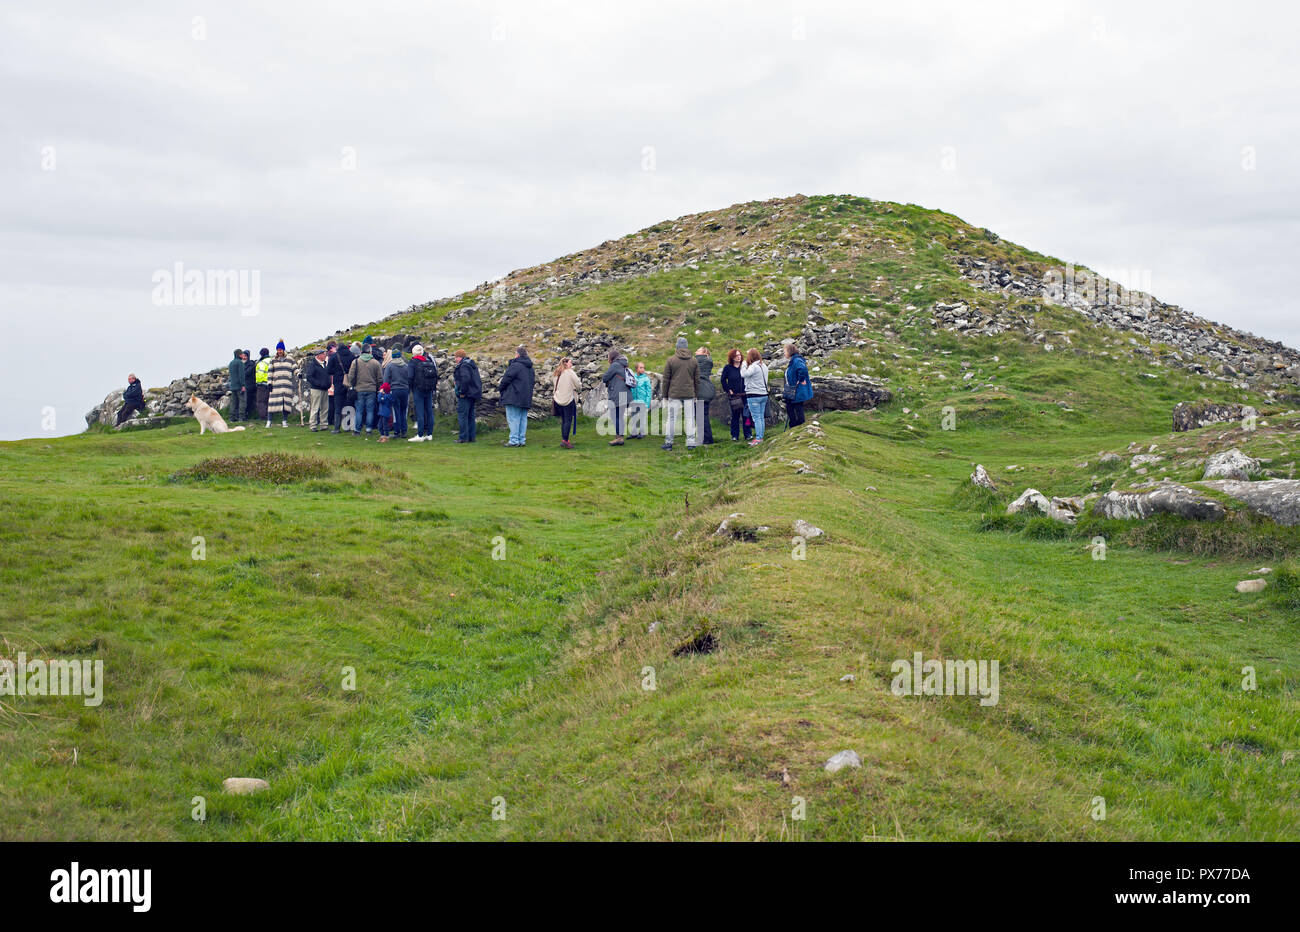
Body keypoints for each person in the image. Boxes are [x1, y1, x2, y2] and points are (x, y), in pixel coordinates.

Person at [660, 336, 700, 451]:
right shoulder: (693, 361)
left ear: (677, 347)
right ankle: (691, 442)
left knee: (671, 418)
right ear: (686, 347)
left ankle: (668, 443)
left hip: (674, 394)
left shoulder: (671, 360)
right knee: (690, 418)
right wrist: (696, 394)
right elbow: (697, 380)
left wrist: (665, 395)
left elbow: (666, 379)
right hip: (689, 394)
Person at [498, 345, 535, 447]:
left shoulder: (516, 365)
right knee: (523, 418)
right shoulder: (530, 368)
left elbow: (506, 378)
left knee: (513, 418)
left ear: (517, 355)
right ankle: (521, 440)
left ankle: (514, 440)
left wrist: (500, 388)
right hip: (526, 396)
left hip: (513, 396)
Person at [345, 341, 383, 437]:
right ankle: (369, 429)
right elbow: (380, 378)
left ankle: (357, 430)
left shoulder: (356, 362)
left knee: (359, 410)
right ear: (370, 352)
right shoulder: (375, 363)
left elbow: (351, 376)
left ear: (361, 351)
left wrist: (353, 385)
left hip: (359, 389)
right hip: (372, 389)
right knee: (370, 410)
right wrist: (378, 387)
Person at [600, 349, 631, 446]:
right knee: (619, 416)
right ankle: (620, 436)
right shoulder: (624, 364)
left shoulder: (615, 365)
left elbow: (605, 378)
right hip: (624, 393)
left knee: (615, 416)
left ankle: (619, 438)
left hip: (617, 393)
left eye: (608, 357)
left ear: (611, 357)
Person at [720, 348, 752, 442]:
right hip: (734, 397)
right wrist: (728, 390)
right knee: (735, 416)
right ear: (732, 357)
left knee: (746, 416)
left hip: (745, 395)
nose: (738, 357)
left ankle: (748, 434)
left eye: (739, 355)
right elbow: (723, 380)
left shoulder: (745, 366)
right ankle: (734, 435)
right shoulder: (728, 368)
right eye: (736, 355)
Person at [408, 344, 438, 442]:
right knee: (429, 411)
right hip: (428, 389)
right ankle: (430, 434)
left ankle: (420, 435)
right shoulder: (428, 360)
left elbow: (410, 377)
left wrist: (411, 387)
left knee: (420, 412)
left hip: (418, 389)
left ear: (413, 353)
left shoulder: (413, 362)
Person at [740, 348, 770, 446]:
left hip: (754, 395)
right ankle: (760, 436)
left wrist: (744, 364)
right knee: (760, 417)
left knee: (756, 417)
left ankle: (758, 438)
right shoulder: (764, 365)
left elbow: (743, 374)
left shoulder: (753, 366)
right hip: (763, 394)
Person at [552, 357, 582, 449]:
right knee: (568, 420)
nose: (571, 365)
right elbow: (578, 384)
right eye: (570, 363)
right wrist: (578, 389)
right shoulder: (570, 372)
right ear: (566, 364)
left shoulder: (556, 373)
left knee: (563, 420)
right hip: (568, 399)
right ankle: (565, 441)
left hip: (558, 399)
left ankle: (564, 439)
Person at [782, 342, 813, 428]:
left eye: (785, 351)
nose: (784, 353)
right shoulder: (794, 360)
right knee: (791, 407)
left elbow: (802, 369)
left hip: (797, 390)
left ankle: (799, 425)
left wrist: (801, 379)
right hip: (793, 389)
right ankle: (794, 425)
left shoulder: (796, 360)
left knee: (797, 407)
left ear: (789, 351)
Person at [382, 347, 411, 439]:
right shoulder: (406, 366)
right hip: (405, 390)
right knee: (403, 410)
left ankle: (397, 431)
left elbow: (386, 381)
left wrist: (386, 391)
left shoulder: (390, 366)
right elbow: (410, 378)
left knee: (396, 410)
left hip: (394, 390)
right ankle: (404, 431)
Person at [266, 340, 296, 428]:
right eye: (277, 349)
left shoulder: (290, 359)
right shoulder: (273, 360)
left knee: (285, 404)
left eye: (280, 349)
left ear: (283, 350)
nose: (279, 351)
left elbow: (295, 368)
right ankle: (269, 421)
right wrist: (269, 383)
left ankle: (284, 421)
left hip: (286, 385)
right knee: (272, 403)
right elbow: (270, 372)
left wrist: (298, 373)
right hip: (276, 385)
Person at [453, 349, 482, 443]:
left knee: (463, 415)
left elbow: (465, 379)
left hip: (466, 394)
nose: (455, 359)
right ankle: (471, 437)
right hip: (473, 394)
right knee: (470, 416)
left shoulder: (464, 365)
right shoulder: (471, 364)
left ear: (460, 357)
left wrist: (462, 392)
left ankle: (463, 437)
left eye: (456, 357)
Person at [329, 341, 357, 433]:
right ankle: (349, 426)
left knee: (338, 406)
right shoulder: (352, 356)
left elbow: (328, 370)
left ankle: (337, 428)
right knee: (350, 404)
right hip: (349, 383)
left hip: (338, 383)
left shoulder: (334, 356)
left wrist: (337, 372)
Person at [305, 347, 332, 431]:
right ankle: (313, 425)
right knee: (315, 407)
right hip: (316, 389)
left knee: (325, 408)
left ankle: (324, 425)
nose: (325, 355)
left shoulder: (325, 364)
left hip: (325, 389)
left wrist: (328, 384)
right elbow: (309, 377)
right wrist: (318, 383)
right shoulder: (312, 364)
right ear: (318, 355)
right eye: (323, 354)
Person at [694, 347, 716, 445]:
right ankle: (707, 438)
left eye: (697, 350)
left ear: (703, 352)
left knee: (700, 417)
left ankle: (705, 439)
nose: (695, 352)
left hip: (700, 391)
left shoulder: (696, 361)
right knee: (704, 416)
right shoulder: (708, 361)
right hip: (707, 390)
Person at [629, 362, 653, 439]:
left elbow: (649, 391)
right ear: (636, 369)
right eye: (641, 367)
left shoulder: (646, 379)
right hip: (634, 401)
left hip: (643, 402)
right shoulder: (633, 378)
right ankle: (634, 433)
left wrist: (647, 403)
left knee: (642, 418)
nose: (643, 369)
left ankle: (642, 433)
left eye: (643, 367)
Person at [227, 348, 245, 422]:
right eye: (241, 354)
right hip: (239, 386)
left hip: (232, 386)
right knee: (242, 401)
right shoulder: (240, 363)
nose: (242, 355)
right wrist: (243, 385)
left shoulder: (231, 363)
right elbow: (241, 375)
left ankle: (232, 418)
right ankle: (241, 417)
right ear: (239, 355)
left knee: (233, 403)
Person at [254, 348, 272, 421]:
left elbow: (261, 373)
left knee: (261, 401)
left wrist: (258, 382)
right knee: (268, 401)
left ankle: (263, 417)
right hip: (270, 383)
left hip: (262, 384)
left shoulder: (262, 362)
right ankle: (269, 416)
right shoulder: (271, 360)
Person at [240, 350, 255, 421]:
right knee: (242, 401)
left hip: (249, 385)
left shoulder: (251, 364)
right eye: (243, 356)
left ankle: (246, 415)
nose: (244, 357)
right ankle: (242, 415)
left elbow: (247, 373)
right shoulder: (240, 364)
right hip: (242, 385)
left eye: (245, 356)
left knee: (248, 401)